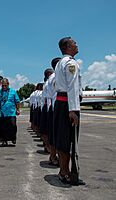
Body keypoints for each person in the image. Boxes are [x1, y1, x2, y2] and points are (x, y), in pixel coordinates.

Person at [54, 37, 84, 185]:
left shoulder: (60, 63)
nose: (77, 45)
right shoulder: (71, 63)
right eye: (74, 43)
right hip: (68, 105)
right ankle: (66, 172)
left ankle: (64, 171)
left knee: (62, 139)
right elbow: (72, 86)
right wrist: (73, 110)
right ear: (67, 47)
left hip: (60, 104)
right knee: (69, 140)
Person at [0, 78, 20, 146]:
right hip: (2, 113)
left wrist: (17, 109)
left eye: (5, 85)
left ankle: (13, 137)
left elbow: (17, 101)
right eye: (3, 85)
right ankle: (3, 140)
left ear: (8, 84)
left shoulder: (13, 91)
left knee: (13, 125)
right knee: (2, 127)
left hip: (11, 112)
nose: (4, 87)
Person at [47, 57, 61, 166]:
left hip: (56, 107)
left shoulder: (55, 76)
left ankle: (53, 156)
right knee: (55, 134)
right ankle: (53, 156)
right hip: (55, 108)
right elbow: (50, 96)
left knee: (56, 135)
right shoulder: (54, 77)